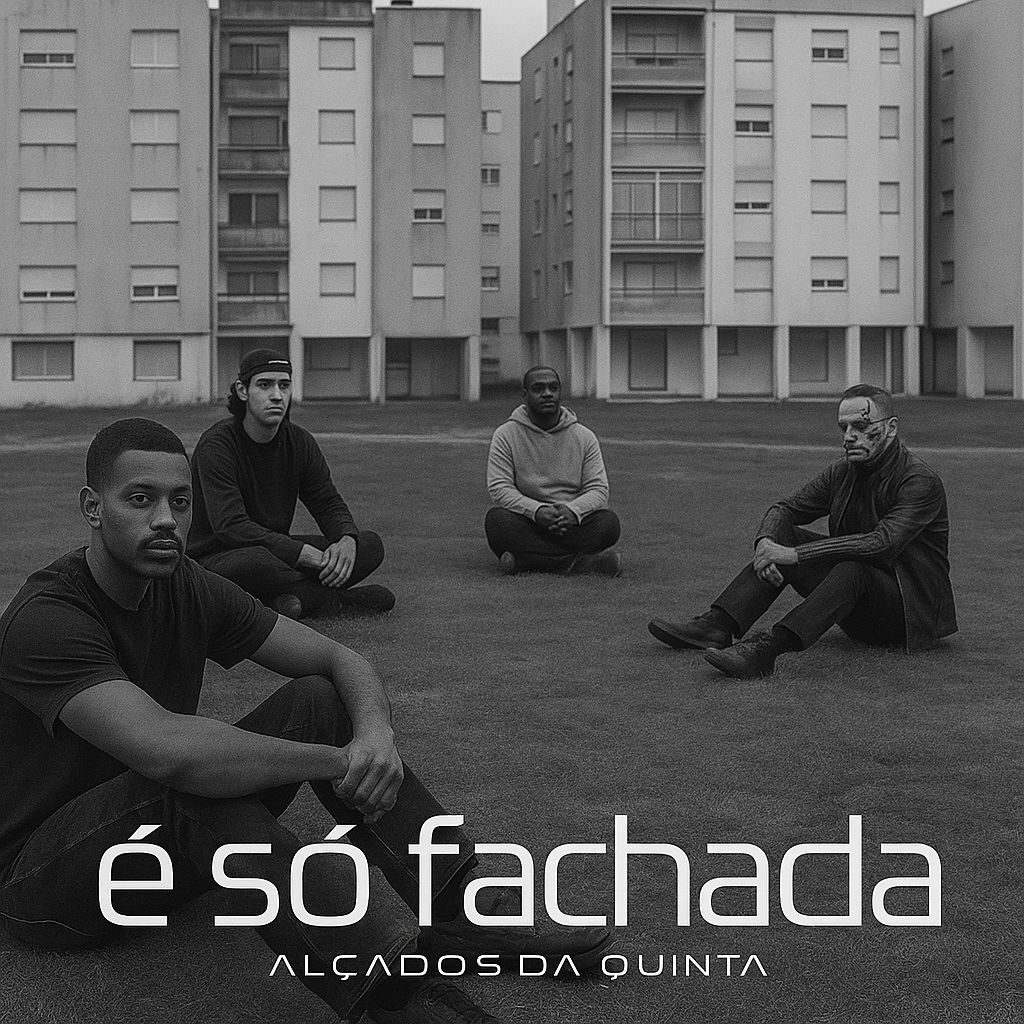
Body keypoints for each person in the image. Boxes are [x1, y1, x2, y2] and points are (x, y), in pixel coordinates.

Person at [0, 418, 612, 1024]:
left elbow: (339, 659)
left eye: (179, 502)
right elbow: (169, 753)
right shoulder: (49, 617)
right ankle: (386, 993)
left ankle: (457, 911)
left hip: (152, 861)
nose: (165, 519)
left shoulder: (183, 582)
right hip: (45, 884)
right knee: (190, 786)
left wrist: (375, 735)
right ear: (92, 507)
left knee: (320, 699)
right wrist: (337, 761)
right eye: (141, 499)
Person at [648, 384, 957, 678]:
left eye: (861, 428)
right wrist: (766, 544)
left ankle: (767, 649)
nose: (849, 437)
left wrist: (793, 555)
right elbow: (784, 509)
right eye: (844, 428)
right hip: (856, 607)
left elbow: (882, 544)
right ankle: (717, 626)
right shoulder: (843, 471)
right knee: (788, 536)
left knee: (850, 567)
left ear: (890, 428)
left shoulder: (919, 481)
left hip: (907, 617)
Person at [188, 349, 394, 620]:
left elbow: (326, 501)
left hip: (277, 551)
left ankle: (293, 600)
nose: (276, 395)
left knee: (369, 545)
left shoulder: (299, 442)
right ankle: (336, 600)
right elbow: (230, 526)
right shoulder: (217, 445)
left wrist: (346, 538)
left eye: (284, 386)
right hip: (218, 557)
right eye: (265, 385)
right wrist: (300, 553)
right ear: (242, 390)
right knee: (259, 563)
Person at [485, 367, 622, 576]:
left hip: (572, 524)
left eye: (553, 387)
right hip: (528, 521)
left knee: (608, 523)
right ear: (525, 395)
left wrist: (573, 512)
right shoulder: (505, 435)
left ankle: (525, 562)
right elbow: (499, 488)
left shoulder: (584, 437)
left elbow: (598, 489)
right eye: (538, 388)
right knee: (497, 522)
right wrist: (537, 511)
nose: (547, 393)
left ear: (560, 392)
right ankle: (580, 563)